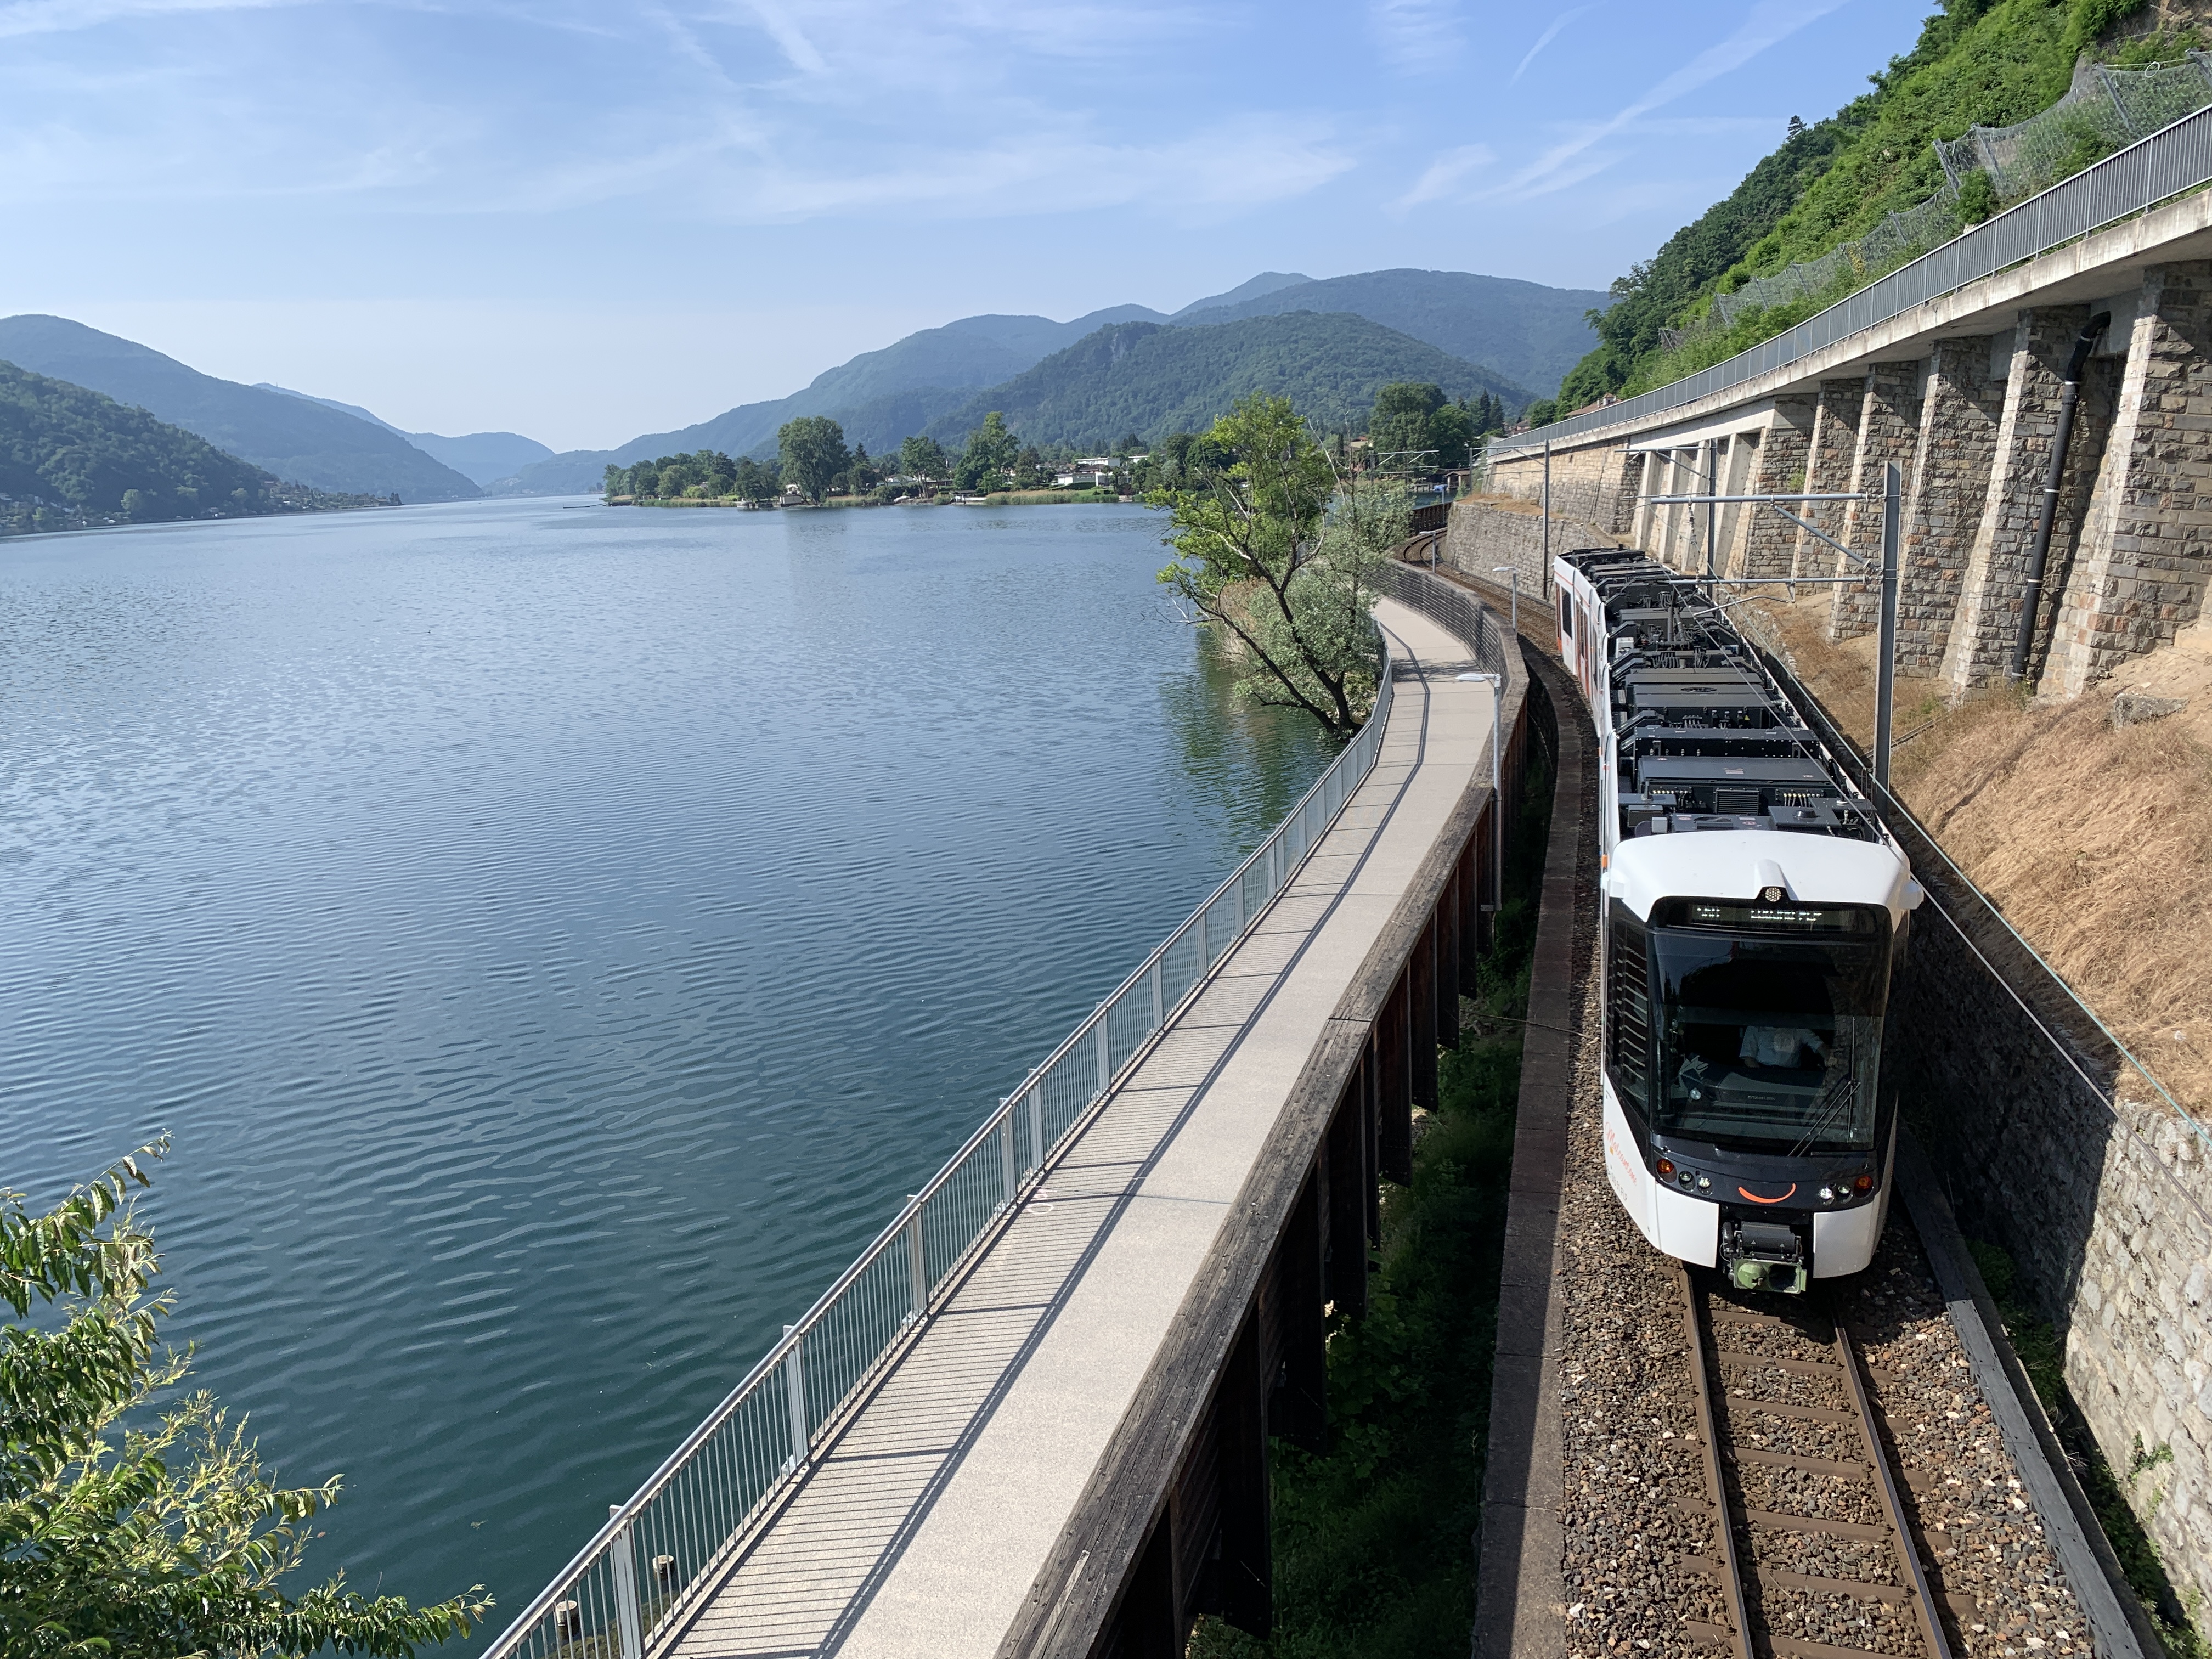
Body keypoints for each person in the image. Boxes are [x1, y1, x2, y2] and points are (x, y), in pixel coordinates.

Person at [1739, 1025, 1826, 1070]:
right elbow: (1748, 1057)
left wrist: (1831, 1059)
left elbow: (1818, 1045)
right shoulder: (1756, 1027)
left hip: (1791, 1076)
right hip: (1763, 1071)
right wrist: (1760, 1077)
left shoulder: (1798, 1028)